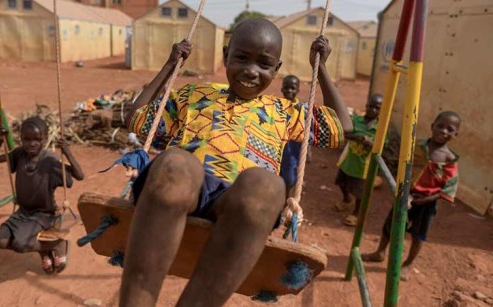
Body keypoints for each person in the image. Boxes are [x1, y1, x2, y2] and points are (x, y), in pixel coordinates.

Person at [121, 18, 352, 306]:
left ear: (276, 69)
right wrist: (171, 65)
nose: (251, 71)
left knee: (267, 184)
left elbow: (343, 128)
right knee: (177, 164)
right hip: (182, 189)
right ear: (226, 55)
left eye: (264, 64)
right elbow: (137, 119)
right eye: (241, 58)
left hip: (239, 206)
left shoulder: (283, 110)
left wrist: (323, 69)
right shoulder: (193, 94)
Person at [362, 111, 461, 281]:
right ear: (432, 126)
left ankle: (408, 263)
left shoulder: (450, 160)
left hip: (426, 202)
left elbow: (447, 190)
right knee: (390, 226)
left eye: (450, 129)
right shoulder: (417, 146)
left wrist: (424, 200)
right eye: (440, 126)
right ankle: (380, 252)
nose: (444, 131)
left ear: (455, 134)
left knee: (418, 235)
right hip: (406, 195)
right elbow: (402, 164)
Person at [0, 117, 84, 274]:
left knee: (20, 244)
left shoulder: (50, 161)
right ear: (21, 138)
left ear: (45, 139)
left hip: (43, 214)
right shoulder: (19, 154)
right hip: (23, 213)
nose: (31, 144)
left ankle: (58, 245)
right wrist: (0, 140)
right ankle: (43, 249)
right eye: (26, 139)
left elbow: (79, 175)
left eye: (37, 140)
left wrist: (67, 152)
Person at [334, 94, 383, 226]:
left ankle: (356, 213)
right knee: (341, 182)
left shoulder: (381, 129)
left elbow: (382, 146)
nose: (373, 110)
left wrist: (369, 142)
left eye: (377, 108)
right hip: (349, 160)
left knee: (360, 193)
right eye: (371, 106)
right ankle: (346, 200)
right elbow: (346, 133)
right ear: (366, 106)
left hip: (364, 166)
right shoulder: (357, 120)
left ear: (381, 110)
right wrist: (356, 137)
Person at [278, 75, 312, 194]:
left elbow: (307, 131)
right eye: (286, 88)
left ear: (297, 91)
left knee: (289, 176)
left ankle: (287, 197)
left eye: (292, 88)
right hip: (277, 147)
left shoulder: (302, 110)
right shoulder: (276, 106)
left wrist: (308, 151)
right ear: (282, 89)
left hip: (292, 149)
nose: (289, 91)